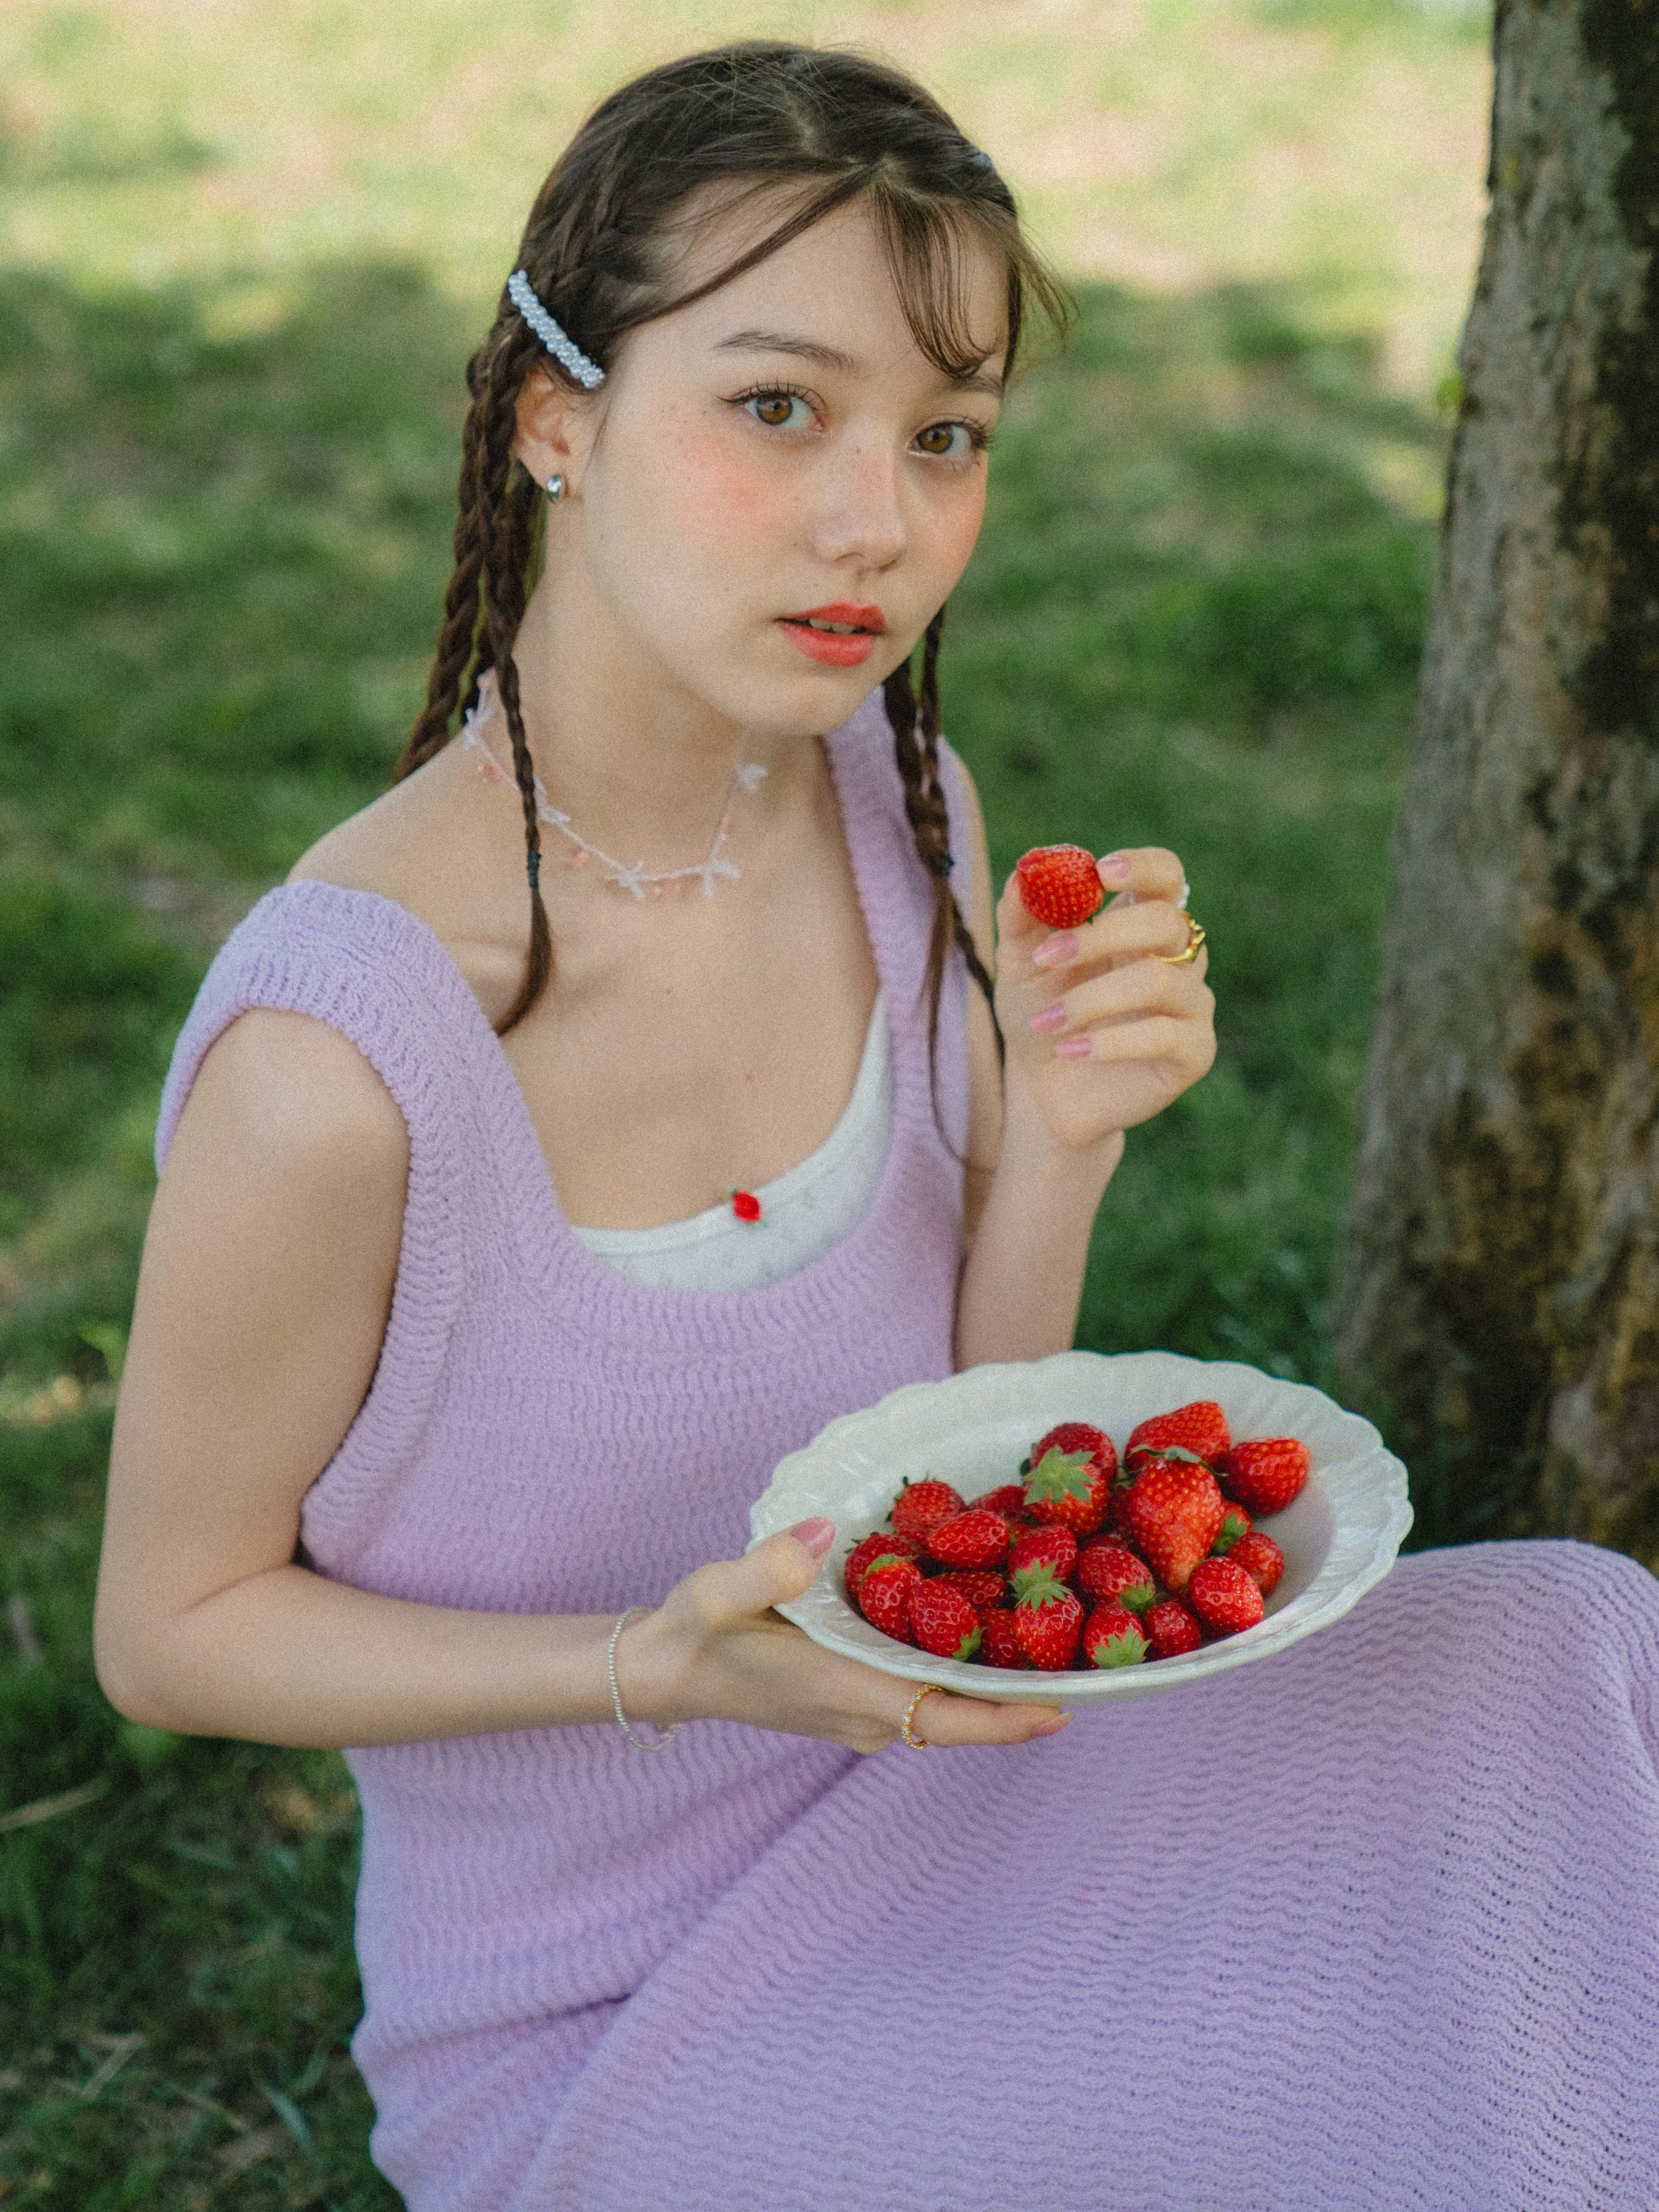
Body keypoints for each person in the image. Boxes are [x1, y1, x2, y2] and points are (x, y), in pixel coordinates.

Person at [93, 40, 1659, 2212]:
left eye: (947, 437)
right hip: (612, 2018)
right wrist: (654, 1666)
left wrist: (1058, 1144)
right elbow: (168, 1627)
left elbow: (944, 1460)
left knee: (1567, 1652)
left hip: (968, 1780)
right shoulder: (339, 1063)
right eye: (774, 409)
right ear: (556, 417)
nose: (879, 522)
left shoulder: (893, 813)